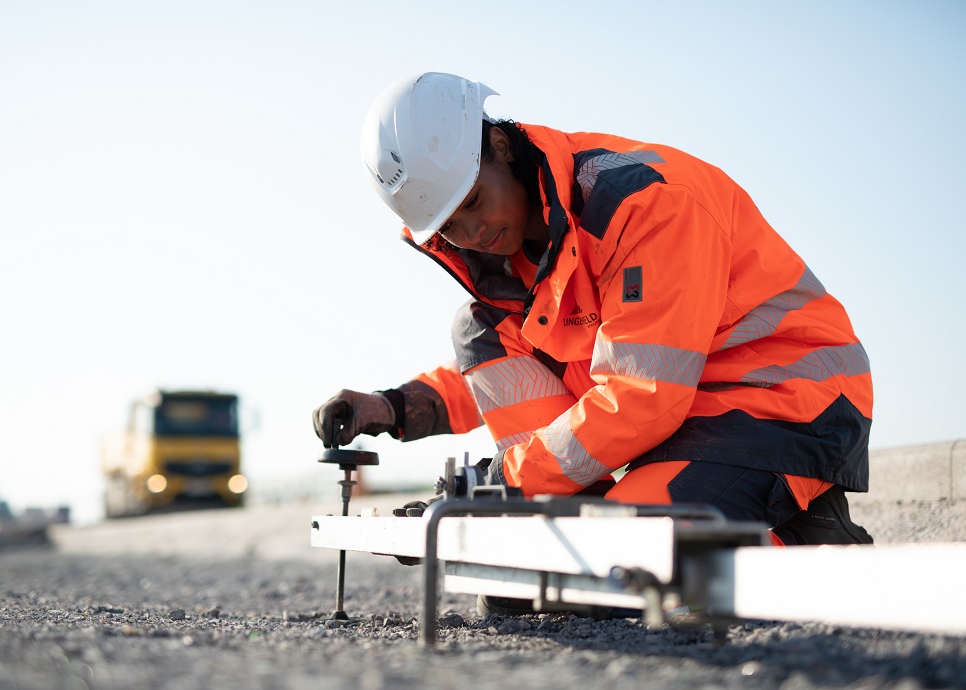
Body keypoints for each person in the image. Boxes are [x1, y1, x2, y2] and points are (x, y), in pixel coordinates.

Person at [313, 72, 873, 548]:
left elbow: (644, 394)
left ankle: (806, 527)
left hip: (780, 404)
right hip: (682, 416)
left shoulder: (641, 204)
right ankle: (560, 519)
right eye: (451, 228)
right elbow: (532, 364)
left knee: (616, 567)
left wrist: (500, 482)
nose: (474, 232)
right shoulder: (520, 263)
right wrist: (392, 406)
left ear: (502, 147)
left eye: (474, 202)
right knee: (476, 329)